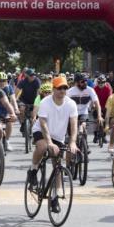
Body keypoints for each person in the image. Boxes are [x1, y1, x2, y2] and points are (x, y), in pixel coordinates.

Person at [27, 76, 78, 213]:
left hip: (59, 136)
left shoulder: (71, 104)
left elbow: (74, 125)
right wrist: (49, 142)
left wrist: (72, 142)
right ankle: (33, 170)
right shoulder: (45, 102)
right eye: (60, 88)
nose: (63, 91)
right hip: (42, 131)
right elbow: (42, 123)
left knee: (58, 166)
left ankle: (54, 197)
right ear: (53, 89)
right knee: (43, 147)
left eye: (65, 88)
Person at [67, 72, 104, 148]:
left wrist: (99, 116)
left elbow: (97, 104)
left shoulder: (90, 90)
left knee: (82, 125)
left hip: (84, 112)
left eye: (86, 81)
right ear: (77, 83)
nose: (85, 83)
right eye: (82, 81)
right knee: (72, 133)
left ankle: (84, 143)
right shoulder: (70, 91)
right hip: (72, 113)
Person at [0, 71, 19, 151]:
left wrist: (16, 109)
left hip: (6, 111)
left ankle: (7, 141)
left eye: (4, 80)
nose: (2, 82)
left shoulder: (9, 88)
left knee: (9, 122)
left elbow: (13, 99)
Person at [93, 75, 113, 143]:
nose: (101, 84)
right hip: (97, 106)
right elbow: (93, 99)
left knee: (106, 120)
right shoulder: (95, 88)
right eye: (99, 83)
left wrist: (108, 107)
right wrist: (93, 105)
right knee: (97, 121)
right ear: (97, 83)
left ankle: (104, 136)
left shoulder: (108, 88)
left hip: (106, 106)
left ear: (105, 82)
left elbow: (110, 98)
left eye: (102, 82)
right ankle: (95, 135)